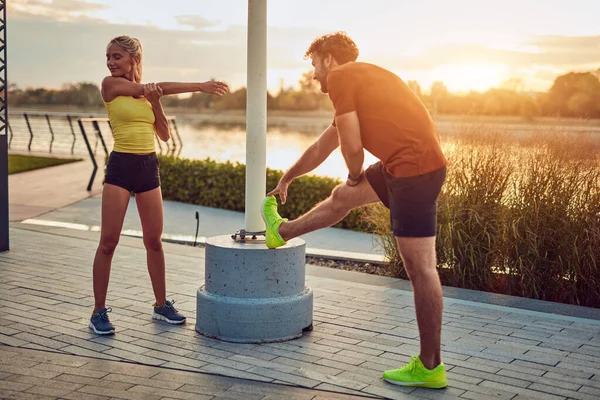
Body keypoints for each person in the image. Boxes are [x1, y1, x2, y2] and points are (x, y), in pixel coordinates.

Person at [261, 31, 448, 388]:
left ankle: (430, 367)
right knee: (341, 199)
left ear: (329, 59)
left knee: (421, 269)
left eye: (315, 64)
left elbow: (352, 144)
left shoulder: (343, 77)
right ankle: (279, 232)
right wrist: (287, 178)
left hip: (414, 170)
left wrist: (353, 173)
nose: (315, 74)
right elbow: (323, 146)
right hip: (402, 165)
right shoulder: (362, 83)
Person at [89, 35, 229, 335]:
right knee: (108, 242)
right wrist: (199, 86)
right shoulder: (110, 85)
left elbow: (164, 135)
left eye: (117, 57)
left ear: (133, 59)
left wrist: (156, 104)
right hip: (120, 167)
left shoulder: (147, 93)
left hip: (148, 167)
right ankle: (98, 311)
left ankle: (161, 305)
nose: (111, 62)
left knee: (154, 241)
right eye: (109, 56)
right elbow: (151, 88)